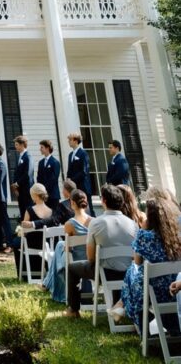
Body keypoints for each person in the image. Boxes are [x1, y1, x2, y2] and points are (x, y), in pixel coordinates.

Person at [110, 192, 181, 333]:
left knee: (133, 271)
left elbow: (137, 262)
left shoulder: (144, 236)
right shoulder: (176, 237)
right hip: (175, 289)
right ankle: (120, 304)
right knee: (137, 274)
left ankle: (121, 305)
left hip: (154, 292)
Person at [66, 184, 136, 318]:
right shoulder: (132, 224)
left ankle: (73, 310)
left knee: (72, 268)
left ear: (103, 201)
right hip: (128, 274)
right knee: (117, 265)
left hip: (105, 273)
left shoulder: (96, 223)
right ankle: (118, 306)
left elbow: (91, 257)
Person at [43, 189, 92, 303]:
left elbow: (69, 248)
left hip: (75, 262)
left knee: (60, 247)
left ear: (72, 203)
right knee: (60, 245)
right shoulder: (94, 221)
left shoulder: (69, 224)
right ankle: (46, 283)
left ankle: (49, 284)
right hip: (90, 259)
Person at [14, 183, 53, 279]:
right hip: (46, 244)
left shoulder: (29, 210)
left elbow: (25, 230)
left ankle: (23, 273)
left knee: (15, 243)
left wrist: (20, 232)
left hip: (32, 243)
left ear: (35, 195)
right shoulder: (51, 211)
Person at [67, 133, 93, 214]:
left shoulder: (83, 154)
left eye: (70, 140)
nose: (68, 142)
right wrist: (68, 179)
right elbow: (69, 169)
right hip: (74, 188)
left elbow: (84, 171)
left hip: (83, 186)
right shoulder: (70, 154)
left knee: (88, 209)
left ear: (76, 141)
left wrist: (72, 180)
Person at [11, 135, 33, 220]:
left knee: (27, 212)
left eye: (16, 144)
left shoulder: (28, 156)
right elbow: (17, 173)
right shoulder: (20, 157)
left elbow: (28, 174)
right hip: (20, 190)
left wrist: (17, 184)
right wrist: (15, 187)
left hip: (26, 190)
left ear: (22, 144)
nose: (15, 146)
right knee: (22, 211)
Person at [37, 140, 61, 209]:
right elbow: (39, 177)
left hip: (53, 195)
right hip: (43, 195)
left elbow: (54, 178)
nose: (40, 149)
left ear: (47, 148)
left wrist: (44, 189)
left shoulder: (55, 162)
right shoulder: (41, 162)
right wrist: (40, 190)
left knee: (53, 216)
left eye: (42, 147)